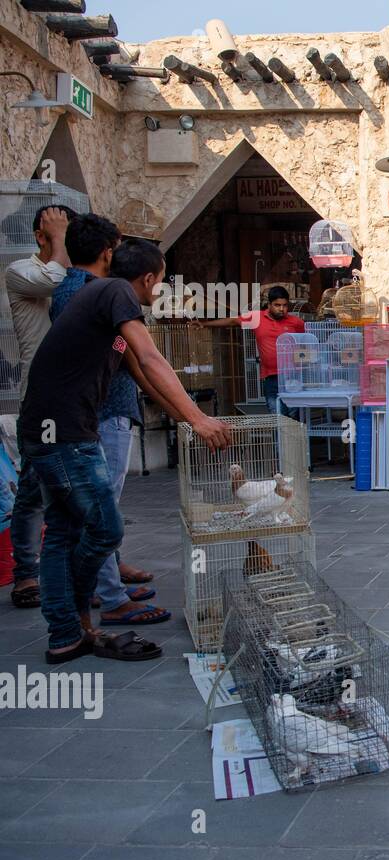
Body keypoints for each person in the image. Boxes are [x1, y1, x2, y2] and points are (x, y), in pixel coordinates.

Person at [19, 238, 231, 664]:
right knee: (104, 530)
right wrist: (201, 419)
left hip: (50, 430)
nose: (159, 291)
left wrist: (187, 420)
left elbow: (146, 379)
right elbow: (153, 358)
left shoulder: (105, 306)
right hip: (62, 434)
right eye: (161, 282)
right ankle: (82, 613)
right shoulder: (114, 290)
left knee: (65, 534)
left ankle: (68, 635)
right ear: (149, 279)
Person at [51, 214, 170, 628]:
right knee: (98, 519)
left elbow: (131, 359)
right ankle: (105, 601)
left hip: (78, 418)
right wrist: (191, 415)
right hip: (95, 417)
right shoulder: (105, 294)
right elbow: (143, 360)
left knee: (85, 520)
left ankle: (92, 601)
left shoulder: (73, 288)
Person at [4, 205, 72, 609]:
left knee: (81, 487)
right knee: (33, 487)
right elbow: (54, 283)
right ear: (40, 237)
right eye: (55, 233)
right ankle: (26, 572)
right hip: (40, 397)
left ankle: (92, 570)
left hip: (74, 396)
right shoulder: (20, 271)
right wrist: (61, 238)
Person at [196, 285, 304, 414]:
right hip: (271, 377)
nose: (281, 309)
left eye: (285, 305)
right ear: (269, 305)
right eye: (277, 305)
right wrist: (204, 324)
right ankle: (280, 435)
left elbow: (306, 344)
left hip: (292, 376)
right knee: (277, 416)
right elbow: (232, 321)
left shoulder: (296, 322)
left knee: (294, 415)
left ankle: (297, 434)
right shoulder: (256, 318)